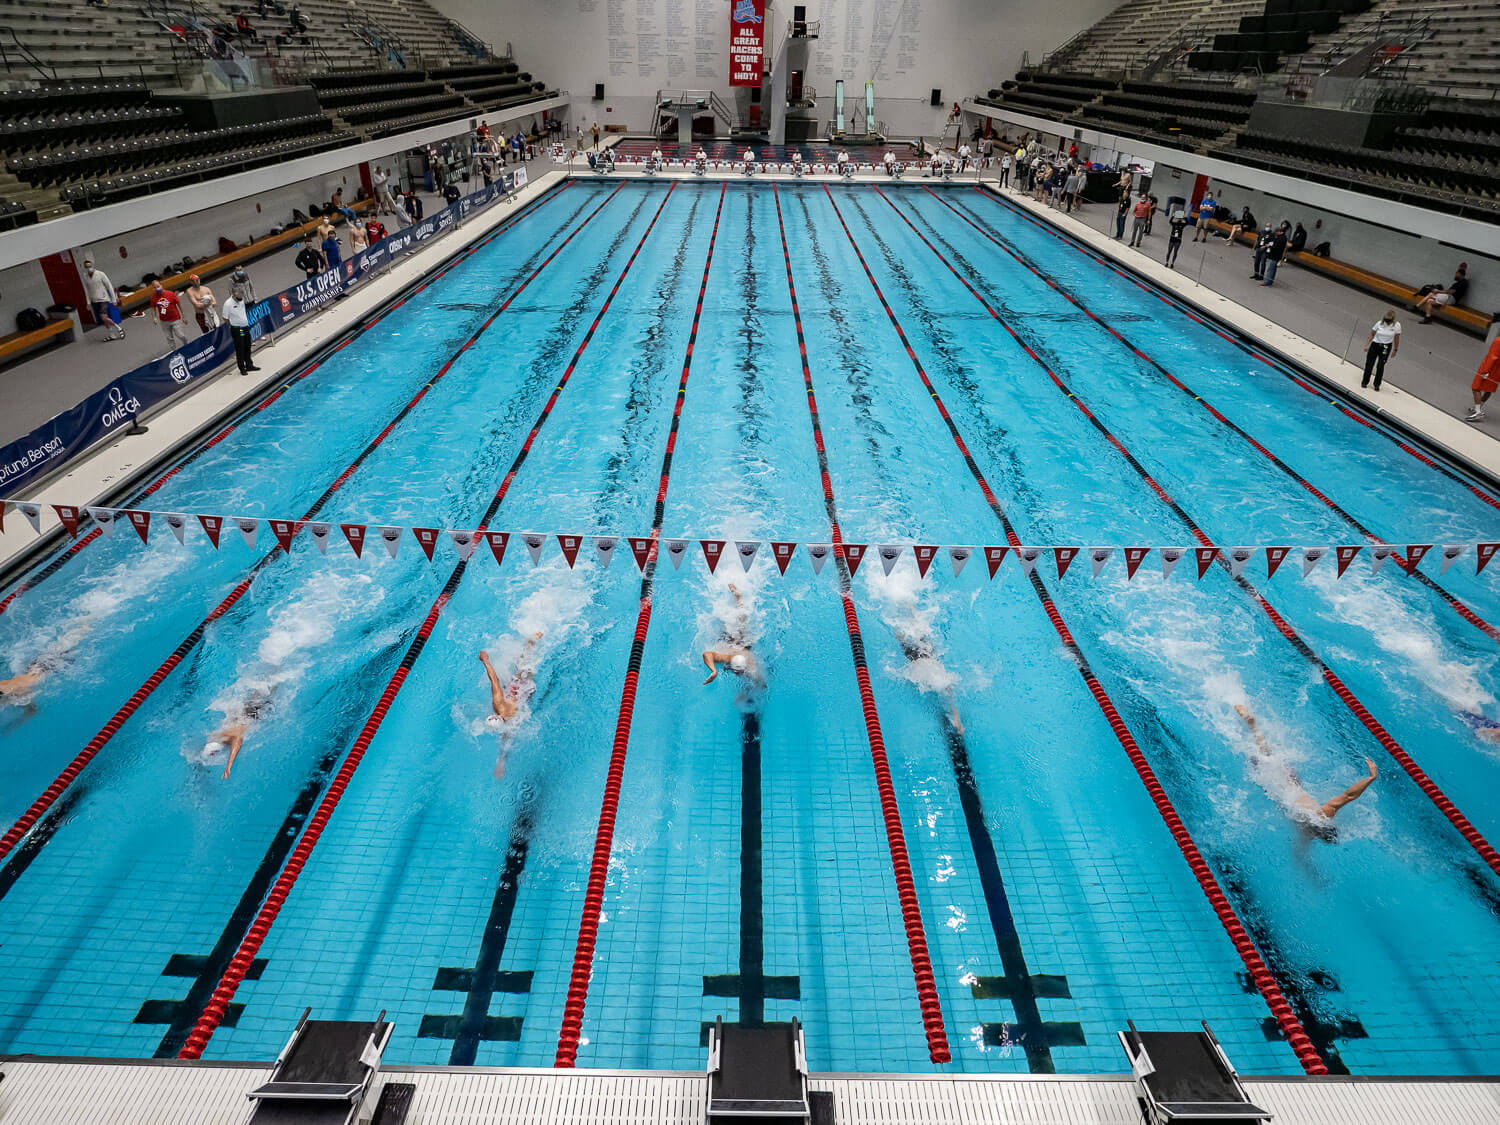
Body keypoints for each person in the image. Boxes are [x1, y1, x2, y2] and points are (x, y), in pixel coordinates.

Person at [1235, 705, 1376, 839]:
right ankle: (1250, 728)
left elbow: (1349, 795)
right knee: (1261, 759)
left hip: (1291, 783)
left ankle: (1253, 726)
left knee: (1268, 756)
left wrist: (1371, 777)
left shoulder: (1323, 814)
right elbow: (1299, 855)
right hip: (1277, 789)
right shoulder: (1306, 831)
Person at [479, 633, 543, 777]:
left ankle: (532, 642)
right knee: (523, 663)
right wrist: (485, 660)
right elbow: (494, 680)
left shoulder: (511, 724)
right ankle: (532, 640)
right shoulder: (498, 705)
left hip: (528, 691)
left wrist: (501, 764)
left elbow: (506, 742)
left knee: (528, 671)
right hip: (519, 687)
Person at [702, 583, 764, 704]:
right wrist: (714, 671)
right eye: (736, 672)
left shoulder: (751, 667)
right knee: (740, 623)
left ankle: (738, 598)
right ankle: (737, 597)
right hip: (734, 643)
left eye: (739, 672)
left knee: (741, 624)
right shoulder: (728, 658)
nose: (737, 675)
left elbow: (761, 684)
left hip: (743, 647)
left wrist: (745, 694)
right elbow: (706, 654)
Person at [204, 686, 276, 780]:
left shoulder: (224, 739)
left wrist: (229, 765)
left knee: (270, 691)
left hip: (251, 714)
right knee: (263, 691)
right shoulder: (215, 738)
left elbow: (238, 739)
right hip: (245, 714)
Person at [81, 255, 125, 341]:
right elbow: (86, 290)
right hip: (94, 300)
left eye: (90, 266)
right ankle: (112, 335)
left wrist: (114, 300)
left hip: (104, 299)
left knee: (104, 317)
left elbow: (109, 286)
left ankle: (119, 328)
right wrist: (88, 302)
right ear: (84, 268)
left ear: (92, 266)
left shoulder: (100, 274)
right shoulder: (85, 276)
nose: (88, 268)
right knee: (103, 319)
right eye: (87, 267)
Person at [221, 284, 258, 375]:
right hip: (238, 329)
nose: (241, 298)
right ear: (233, 294)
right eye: (239, 296)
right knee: (240, 348)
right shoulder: (228, 304)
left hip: (245, 327)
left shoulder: (241, 299)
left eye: (242, 295)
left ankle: (249, 365)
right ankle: (242, 368)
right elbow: (225, 318)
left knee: (247, 346)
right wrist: (233, 325)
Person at [1362, 309, 1401, 391]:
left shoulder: (1397, 325)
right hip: (1375, 345)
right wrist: (1367, 345)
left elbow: (1396, 339)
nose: (1387, 322)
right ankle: (1365, 381)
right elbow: (1372, 334)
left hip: (1386, 347)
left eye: (1389, 321)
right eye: (1386, 320)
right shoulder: (1379, 323)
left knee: (1380, 366)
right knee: (1369, 364)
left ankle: (1377, 384)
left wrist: (1395, 349)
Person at [1465, 331, 1500, 421]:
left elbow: (1493, 356)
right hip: (1498, 371)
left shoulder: (1498, 341)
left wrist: (1486, 371)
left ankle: (1477, 411)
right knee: (1489, 389)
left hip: (1491, 368)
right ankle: (1479, 407)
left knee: (1475, 387)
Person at [150, 280, 189, 351]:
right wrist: (154, 317)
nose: (157, 289)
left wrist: (183, 316)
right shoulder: (153, 297)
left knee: (180, 334)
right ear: (153, 289)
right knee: (169, 337)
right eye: (155, 288)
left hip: (175, 319)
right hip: (164, 321)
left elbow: (179, 304)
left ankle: (187, 343)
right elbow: (153, 308)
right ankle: (173, 351)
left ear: (161, 285)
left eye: (158, 286)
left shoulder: (170, 294)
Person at [1261, 222, 1290, 286]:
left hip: (1275, 255)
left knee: (1271, 269)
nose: (1275, 234)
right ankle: (1270, 281)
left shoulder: (1281, 238)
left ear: (1279, 231)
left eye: (1276, 233)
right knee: (1273, 269)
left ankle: (1267, 281)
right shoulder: (1282, 237)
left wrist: (1269, 245)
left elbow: (1276, 247)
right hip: (1277, 255)